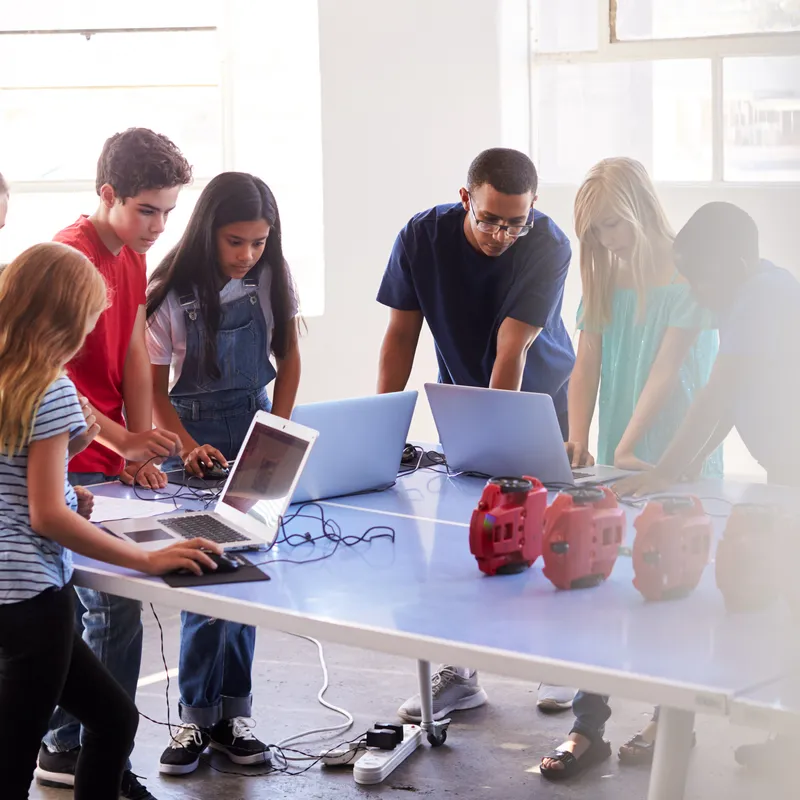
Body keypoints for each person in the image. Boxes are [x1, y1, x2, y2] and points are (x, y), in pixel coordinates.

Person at [0, 242, 220, 800]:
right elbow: (44, 516)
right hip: (30, 601)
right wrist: (146, 558)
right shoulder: (46, 388)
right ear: (68, 319)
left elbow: (21, 481)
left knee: (115, 720)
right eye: (94, 318)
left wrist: (68, 493)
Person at [537, 160, 724, 778]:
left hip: (671, 448)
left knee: (672, 582)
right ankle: (588, 726)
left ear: (641, 212)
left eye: (613, 226)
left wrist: (628, 445)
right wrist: (578, 435)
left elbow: (668, 372)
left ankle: (671, 722)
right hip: (621, 450)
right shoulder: (605, 273)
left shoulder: (690, 271)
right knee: (599, 583)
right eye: (594, 232)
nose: (606, 240)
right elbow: (585, 361)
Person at [376, 147, 575, 722]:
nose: (502, 233)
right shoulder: (423, 235)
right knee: (463, 536)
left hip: (537, 401)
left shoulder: (548, 243)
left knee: (545, 530)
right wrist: (387, 424)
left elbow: (513, 349)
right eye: (489, 218)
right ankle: (458, 675)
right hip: (463, 396)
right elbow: (399, 336)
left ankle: (558, 662)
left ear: (534, 208)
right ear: (466, 198)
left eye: (517, 221)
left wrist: (501, 443)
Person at [37, 128, 192, 800]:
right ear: (108, 195)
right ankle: (83, 750)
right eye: (147, 210)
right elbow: (44, 379)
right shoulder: (66, 259)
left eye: (168, 212)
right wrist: (117, 445)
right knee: (110, 608)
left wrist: (138, 437)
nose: (158, 226)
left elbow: (131, 344)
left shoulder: (130, 255)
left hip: (104, 453)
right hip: (64, 452)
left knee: (105, 607)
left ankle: (77, 741)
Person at [146, 172, 301, 774]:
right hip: (192, 443)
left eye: (259, 243)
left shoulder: (272, 279)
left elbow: (288, 360)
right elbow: (156, 393)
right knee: (202, 582)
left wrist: (278, 435)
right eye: (235, 242)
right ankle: (193, 718)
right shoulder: (167, 295)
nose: (247, 255)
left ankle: (234, 714)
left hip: (253, 432)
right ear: (208, 230)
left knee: (243, 579)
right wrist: (185, 446)